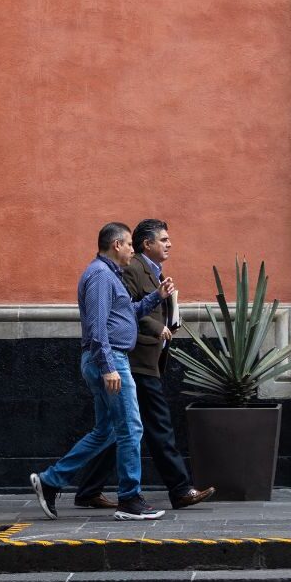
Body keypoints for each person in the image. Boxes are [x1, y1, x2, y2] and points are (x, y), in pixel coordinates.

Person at [29, 222, 174, 521]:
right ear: (116, 245)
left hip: (109, 360)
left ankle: (50, 480)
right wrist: (109, 368)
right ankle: (130, 500)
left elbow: (125, 314)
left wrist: (155, 297)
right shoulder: (99, 276)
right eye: (129, 245)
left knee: (106, 431)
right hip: (110, 361)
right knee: (132, 428)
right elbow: (96, 328)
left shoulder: (111, 276)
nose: (133, 250)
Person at [75, 219, 216, 510]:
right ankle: (178, 489)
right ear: (145, 244)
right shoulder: (127, 269)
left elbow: (132, 307)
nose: (169, 244)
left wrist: (163, 305)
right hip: (131, 360)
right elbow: (119, 313)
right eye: (163, 239)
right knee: (154, 425)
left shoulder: (151, 271)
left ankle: (88, 489)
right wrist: (153, 327)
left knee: (120, 428)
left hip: (142, 359)